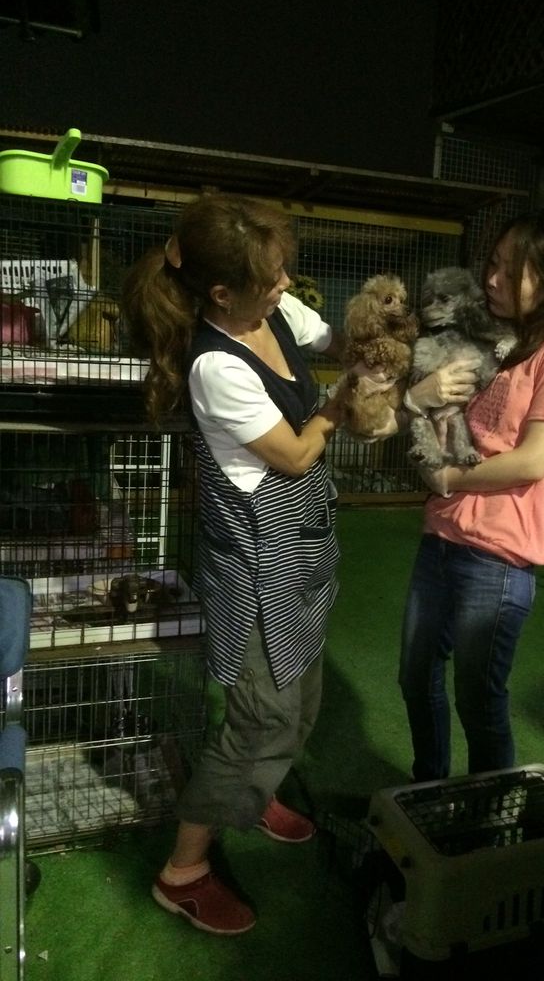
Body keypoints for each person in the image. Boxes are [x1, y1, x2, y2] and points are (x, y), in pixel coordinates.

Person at [121, 192, 475, 936]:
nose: (286, 284)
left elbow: (339, 343)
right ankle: (182, 873)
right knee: (262, 719)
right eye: (271, 277)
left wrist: (381, 341)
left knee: (303, 700)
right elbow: (294, 453)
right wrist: (357, 402)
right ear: (223, 292)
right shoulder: (216, 365)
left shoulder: (275, 311)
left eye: (283, 269)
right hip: (256, 566)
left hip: (302, 548)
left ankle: (257, 796)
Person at [397, 208, 544, 783]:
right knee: (415, 677)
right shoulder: (491, 333)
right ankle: (428, 791)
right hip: (442, 533)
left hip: (499, 554)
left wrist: (451, 479)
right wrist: (420, 399)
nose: (491, 280)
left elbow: (533, 459)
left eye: (512, 272)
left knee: (478, 696)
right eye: (493, 264)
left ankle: (487, 813)